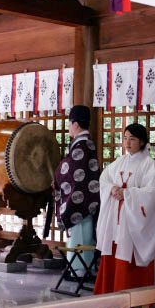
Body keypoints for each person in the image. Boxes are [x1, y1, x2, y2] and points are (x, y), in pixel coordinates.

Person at [93, 123, 155, 294]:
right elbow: (104, 178)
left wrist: (127, 194)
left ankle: (135, 298)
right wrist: (113, 189)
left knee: (131, 254)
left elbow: (154, 192)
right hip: (117, 218)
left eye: (132, 139)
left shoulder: (149, 164)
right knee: (115, 251)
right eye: (125, 138)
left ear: (142, 142)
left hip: (134, 220)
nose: (127, 142)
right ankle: (111, 293)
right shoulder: (120, 161)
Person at [53, 105, 101, 275]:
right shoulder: (88, 144)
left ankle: (79, 270)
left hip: (78, 201)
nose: (69, 128)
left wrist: (56, 176)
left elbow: (67, 171)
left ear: (74, 124)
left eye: (69, 123)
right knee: (86, 234)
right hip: (88, 199)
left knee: (80, 235)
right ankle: (85, 268)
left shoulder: (81, 145)